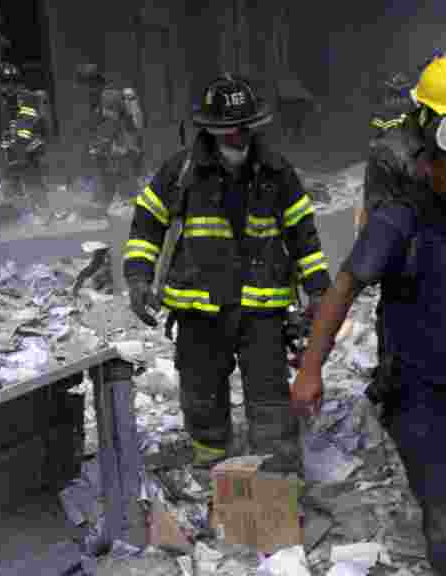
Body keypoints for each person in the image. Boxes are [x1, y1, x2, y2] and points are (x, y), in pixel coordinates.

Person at [293, 112, 446, 575]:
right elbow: (345, 286)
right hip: (423, 395)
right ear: (427, 165)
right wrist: (310, 368)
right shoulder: (398, 218)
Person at [122, 74, 331, 473]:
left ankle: (275, 477)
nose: (238, 140)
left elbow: (303, 232)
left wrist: (318, 290)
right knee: (201, 395)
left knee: (269, 397)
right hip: (199, 308)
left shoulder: (276, 172)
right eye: (229, 132)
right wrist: (137, 277)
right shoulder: (181, 171)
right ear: (211, 131)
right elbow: (147, 224)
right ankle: (212, 468)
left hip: (261, 310)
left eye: (244, 130)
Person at [356, 55, 446, 406]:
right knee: (402, 376)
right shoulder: (391, 154)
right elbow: (382, 227)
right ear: (425, 111)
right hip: (410, 281)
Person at [75, 63, 145, 217]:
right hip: (113, 152)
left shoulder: (108, 97)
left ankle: (130, 213)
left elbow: (112, 125)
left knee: (125, 189)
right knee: (105, 188)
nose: (82, 89)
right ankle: (106, 207)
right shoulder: (97, 97)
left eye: (84, 84)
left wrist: (99, 146)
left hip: (120, 151)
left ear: (91, 83)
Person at [0, 62, 48, 216]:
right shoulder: (6, 101)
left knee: (32, 181)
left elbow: (30, 125)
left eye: (12, 82)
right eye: (4, 82)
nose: (8, 86)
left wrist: (23, 145)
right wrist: (7, 141)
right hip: (15, 148)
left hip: (28, 147)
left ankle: (43, 214)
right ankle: (23, 214)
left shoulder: (27, 98)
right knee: (11, 183)